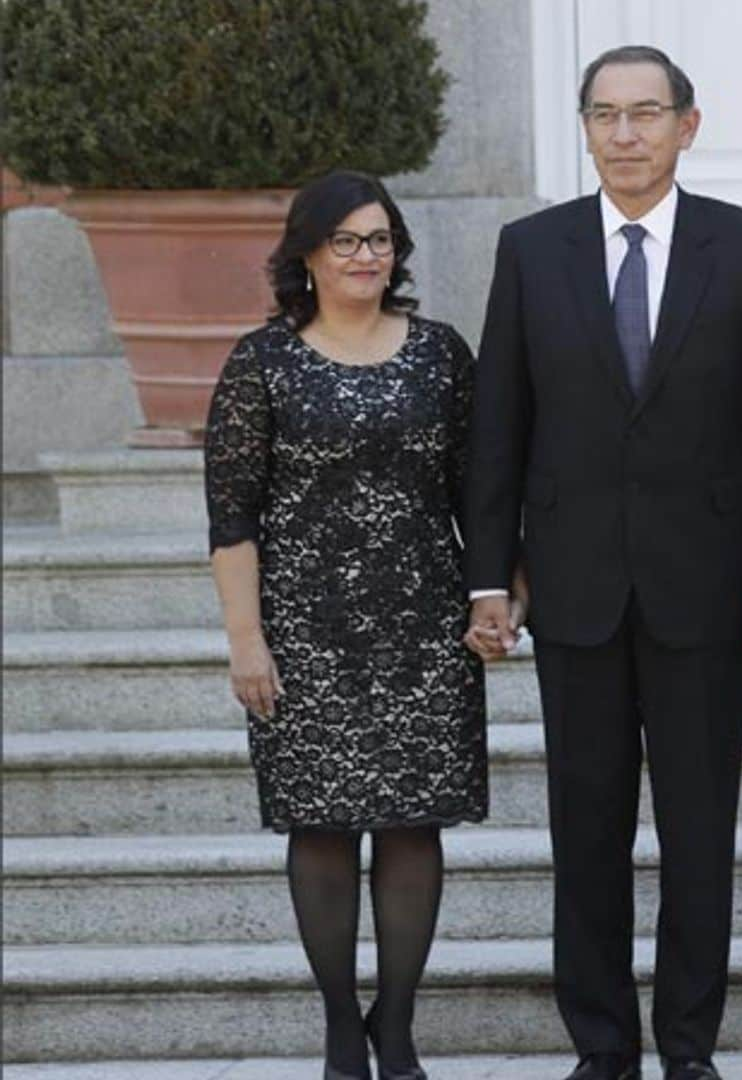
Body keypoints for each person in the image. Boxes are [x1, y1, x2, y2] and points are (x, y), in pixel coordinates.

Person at [461, 45, 742, 1080]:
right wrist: (492, 573)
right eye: (606, 114)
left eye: (646, 114)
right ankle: (603, 1046)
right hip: (573, 590)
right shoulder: (532, 249)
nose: (626, 134)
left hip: (705, 590)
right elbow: (499, 426)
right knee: (588, 832)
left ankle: (690, 1047)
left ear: (687, 126)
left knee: (701, 832)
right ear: (584, 126)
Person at [205, 169, 487, 1080]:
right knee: (320, 829)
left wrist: (497, 593)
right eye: (346, 242)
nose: (367, 256)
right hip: (305, 633)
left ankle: (395, 1026)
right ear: (308, 256)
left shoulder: (441, 354)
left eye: (380, 239)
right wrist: (247, 641)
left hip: (421, 630)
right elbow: (232, 515)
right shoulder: (262, 361)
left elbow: (481, 492)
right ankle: (339, 1027)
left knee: (412, 826)